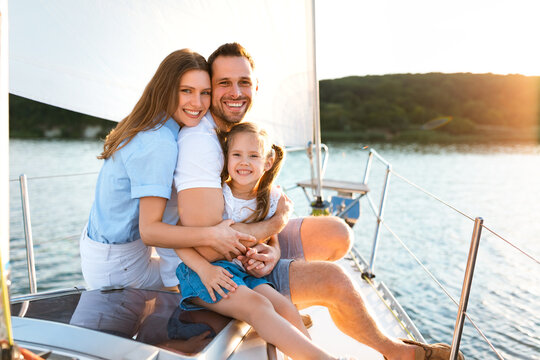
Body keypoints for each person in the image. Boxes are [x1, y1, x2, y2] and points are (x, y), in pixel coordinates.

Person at [172, 43, 463, 360]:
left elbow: (248, 226)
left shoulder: (235, 134)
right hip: (212, 266)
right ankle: (398, 353)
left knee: (338, 234)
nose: (235, 92)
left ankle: (290, 321)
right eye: (224, 83)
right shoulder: (202, 144)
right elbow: (207, 244)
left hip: (245, 252)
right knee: (335, 280)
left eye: (244, 82)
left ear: (256, 86)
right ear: (209, 88)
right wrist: (275, 223)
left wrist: (273, 249)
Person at [80, 49, 255, 290]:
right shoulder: (159, 142)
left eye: (205, 93)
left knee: (195, 266)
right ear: (166, 90)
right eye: (186, 91)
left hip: (107, 249)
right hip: (119, 265)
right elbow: (150, 231)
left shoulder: (153, 122)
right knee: (198, 276)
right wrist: (213, 235)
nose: (197, 103)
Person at [175, 122, 348, 359]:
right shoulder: (217, 194)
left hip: (243, 274)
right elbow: (179, 237)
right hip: (204, 273)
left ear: (267, 162)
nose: (244, 162)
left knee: (285, 307)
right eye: (236, 154)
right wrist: (204, 269)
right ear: (226, 158)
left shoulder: (271, 199)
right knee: (260, 306)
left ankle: (311, 352)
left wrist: (261, 255)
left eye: (253, 155)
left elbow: (269, 241)